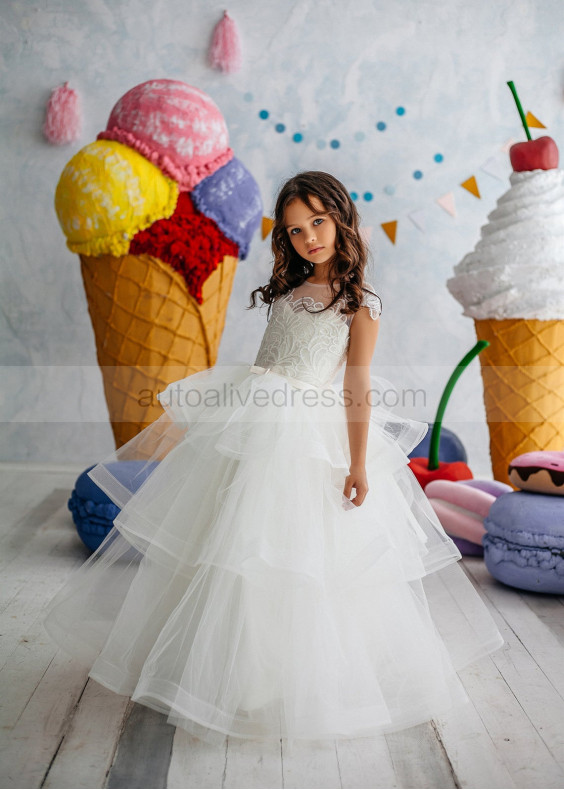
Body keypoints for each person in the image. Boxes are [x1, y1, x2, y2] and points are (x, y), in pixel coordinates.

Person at [43, 171, 504, 748]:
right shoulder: (288, 293)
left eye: (318, 221)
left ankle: (287, 677)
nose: (309, 237)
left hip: (302, 434)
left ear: (341, 218)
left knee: (289, 555)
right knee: (226, 541)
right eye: (294, 230)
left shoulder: (360, 303)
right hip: (252, 421)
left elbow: (355, 384)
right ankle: (215, 667)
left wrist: (358, 463)